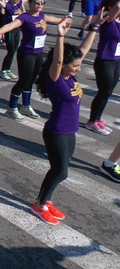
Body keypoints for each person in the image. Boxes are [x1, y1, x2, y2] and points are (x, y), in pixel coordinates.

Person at [30, 14, 92, 225]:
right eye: (75, 66)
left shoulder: (69, 76)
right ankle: (39, 205)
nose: (78, 69)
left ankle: (46, 200)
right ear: (64, 64)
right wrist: (60, 35)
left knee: (60, 169)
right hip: (56, 131)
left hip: (69, 131)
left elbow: (83, 51)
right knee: (60, 171)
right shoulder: (56, 79)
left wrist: (94, 28)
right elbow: (57, 59)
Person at [0, 0, 65, 120]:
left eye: (42, 2)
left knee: (31, 81)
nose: (40, 5)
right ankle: (11, 108)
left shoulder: (42, 16)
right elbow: (10, 26)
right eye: (37, 2)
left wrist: (65, 20)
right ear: (30, 3)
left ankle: (26, 106)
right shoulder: (24, 17)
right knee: (23, 81)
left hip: (38, 54)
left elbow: (53, 19)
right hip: (27, 54)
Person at [86, 0, 120, 135]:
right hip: (105, 60)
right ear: (110, 8)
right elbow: (118, 6)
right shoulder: (108, 20)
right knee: (103, 92)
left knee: (108, 92)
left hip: (117, 61)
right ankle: (92, 121)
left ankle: (98, 118)